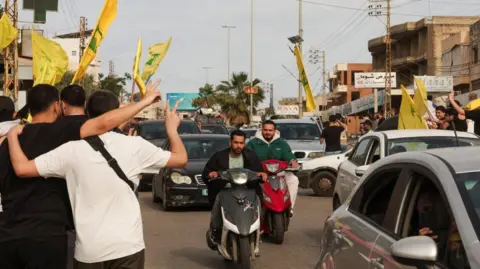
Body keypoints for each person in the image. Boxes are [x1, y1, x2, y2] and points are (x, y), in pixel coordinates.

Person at [6, 89, 183, 269]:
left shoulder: (71, 150)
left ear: (88, 113)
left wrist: (12, 137)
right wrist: (171, 130)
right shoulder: (134, 145)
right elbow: (180, 158)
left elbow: (22, 169)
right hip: (128, 246)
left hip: (89, 252)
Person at [203, 130, 266, 244]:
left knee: (259, 204)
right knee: (217, 205)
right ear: (230, 142)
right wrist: (211, 174)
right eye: (236, 142)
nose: (239, 146)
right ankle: (215, 232)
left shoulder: (250, 156)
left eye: (241, 143)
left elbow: (259, 171)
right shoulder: (219, 156)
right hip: (226, 190)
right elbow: (206, 173)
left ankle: (258, 231)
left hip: (247, 190)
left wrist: (262, 174)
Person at [246, 120, 300, 215]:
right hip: (260, 173)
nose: (267, 132)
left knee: (293, 179)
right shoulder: (252, 143)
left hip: (278, 172)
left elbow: (288, 154)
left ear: (275, 131)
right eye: (265, 130)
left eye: (270, 130)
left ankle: (289, 207)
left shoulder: (281, 143)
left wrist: (292, 160)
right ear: (261, 130)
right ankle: (251, 210)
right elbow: (246, 156)